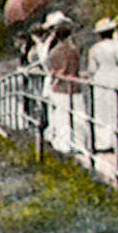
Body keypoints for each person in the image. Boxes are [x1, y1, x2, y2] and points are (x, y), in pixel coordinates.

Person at [86, 17, 118, 152]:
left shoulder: (94, 48)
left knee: (102, 110)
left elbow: (92, 69)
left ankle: (103, 141)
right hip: (116, 76)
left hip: (101, 78)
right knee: (117, 108)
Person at [44, 12, 81, 153]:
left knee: (61, 116)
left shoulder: (54, 51)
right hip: (74, 86)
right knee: (77, 117)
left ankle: (63, 143)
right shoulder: (73, 50)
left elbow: (50, 68)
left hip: (59, 87)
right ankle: (77, 144)